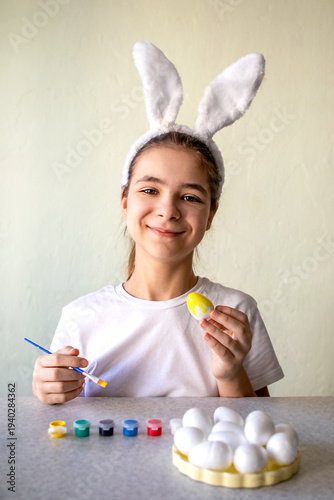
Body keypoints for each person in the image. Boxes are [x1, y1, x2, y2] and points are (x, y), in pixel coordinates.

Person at [32, 42, 284, 404]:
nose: (167, 210)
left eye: (190, 197)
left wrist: (230, 373)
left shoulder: (236, 313)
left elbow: (259, 430)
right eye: (150, 190)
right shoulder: (81, 317)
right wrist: (47, 391)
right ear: (124, 200)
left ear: (211, 214)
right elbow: (57, 423)